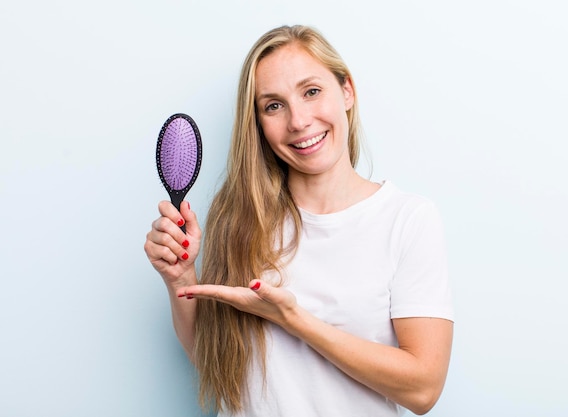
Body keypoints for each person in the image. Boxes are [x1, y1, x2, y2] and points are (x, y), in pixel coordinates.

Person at [144, 24, 454, 416]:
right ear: (258, 123)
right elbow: (216, 363)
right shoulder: (237, 218)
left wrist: (292, 319)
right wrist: (181, 280)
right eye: (274, 105)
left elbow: (423, 389)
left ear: (347, 91)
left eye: (311, 92)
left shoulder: (407, 219)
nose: (298, 121)